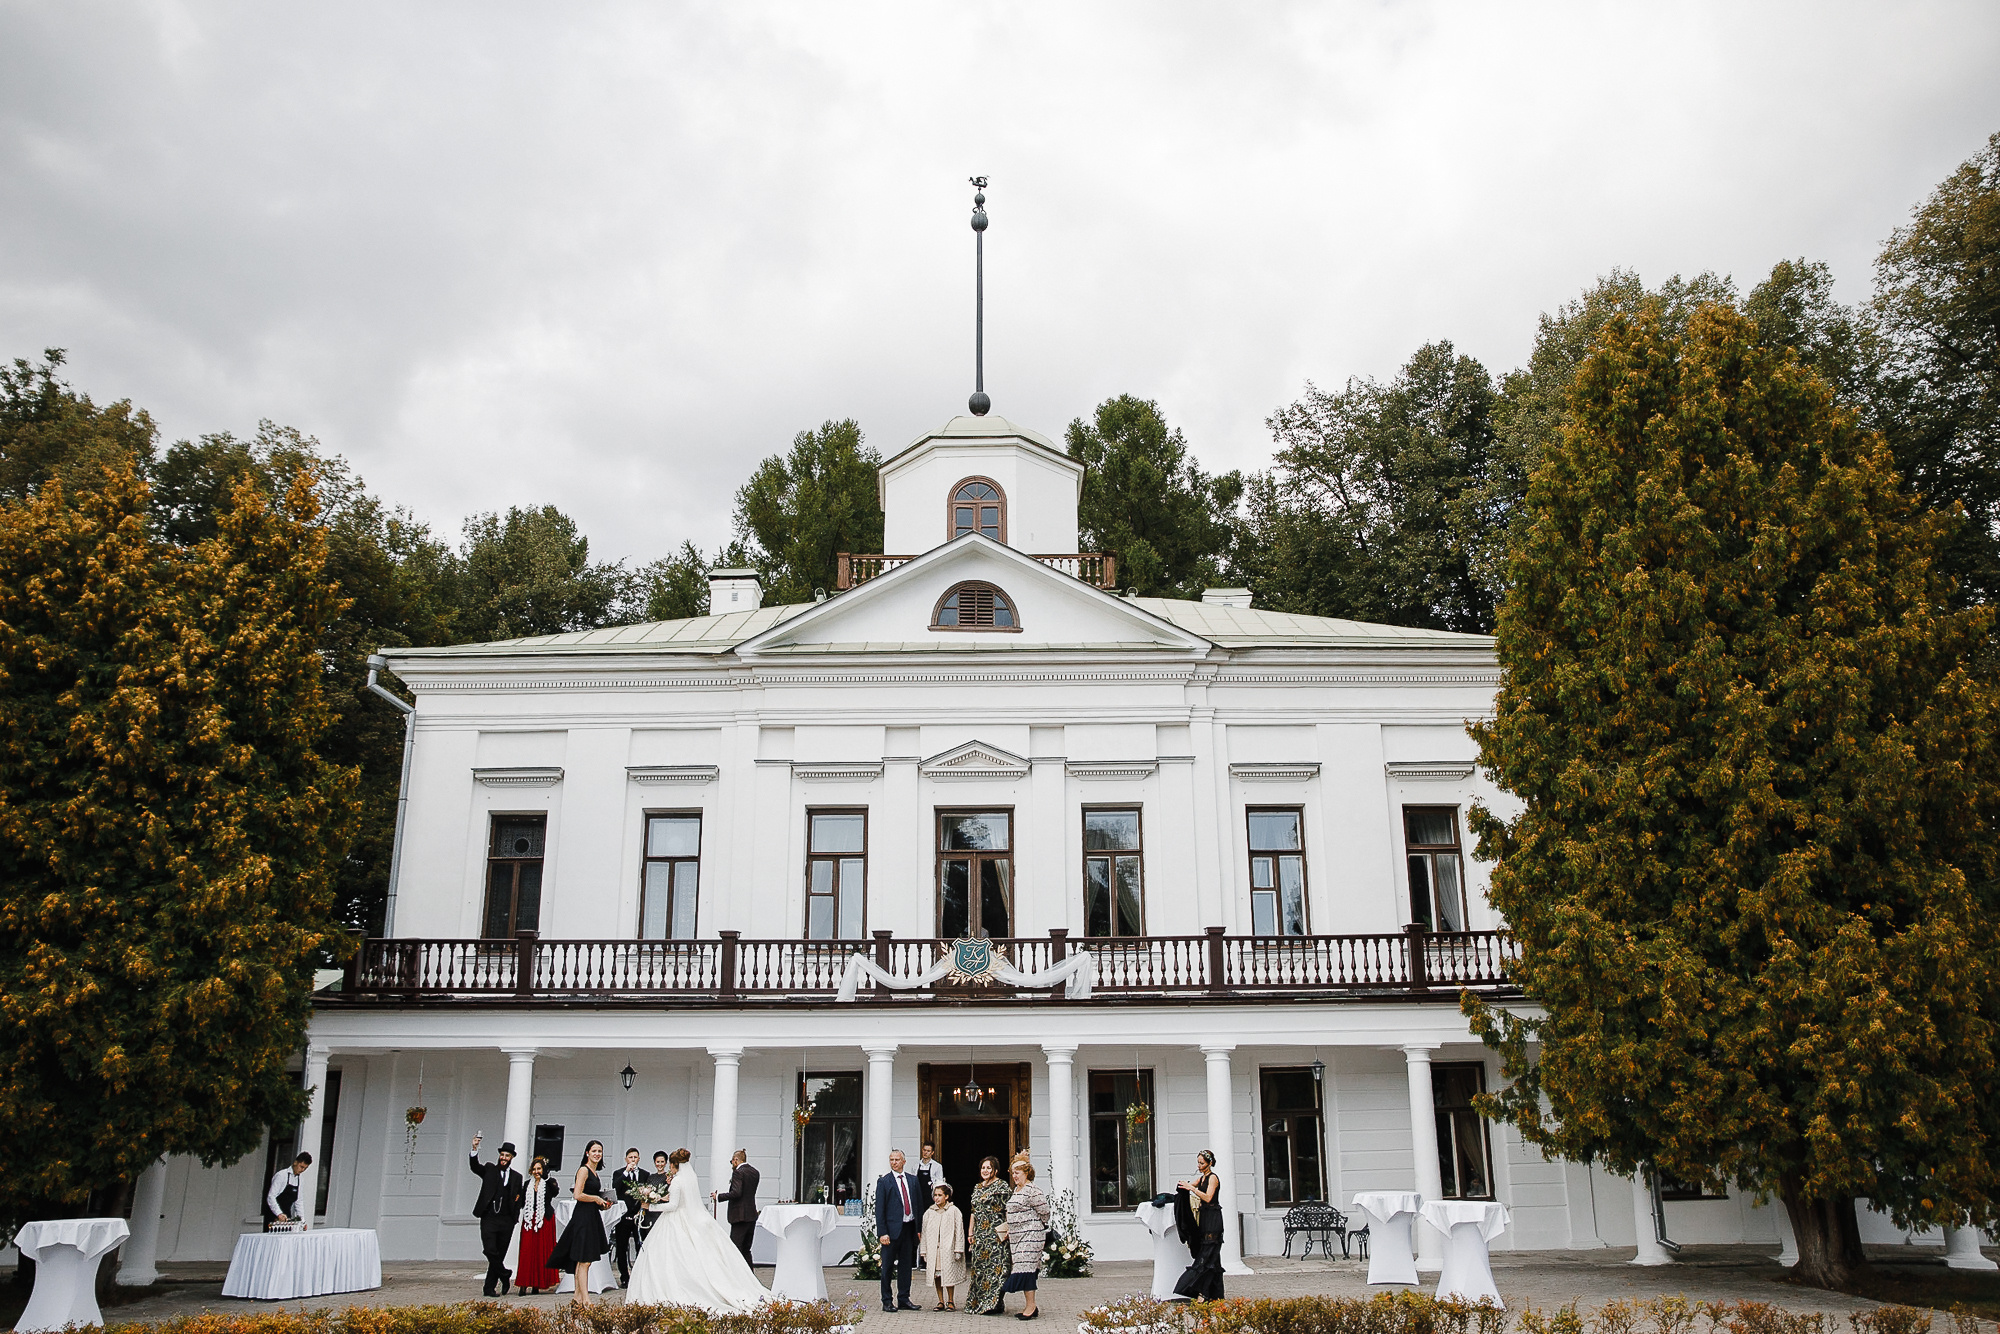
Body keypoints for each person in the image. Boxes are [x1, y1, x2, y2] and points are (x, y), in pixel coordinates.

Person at [625, 1147, 770, 1312]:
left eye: (670, 1165)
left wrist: (650, 1205)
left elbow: (673, 1205)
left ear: (674, 1165)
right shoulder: (690, 1178)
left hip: (674, 1220)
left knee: (668, 1257)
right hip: (696, 1217)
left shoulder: (678, 1180)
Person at [548, 1140, 613, 1303]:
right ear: (587, 1153)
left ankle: (577, 1298)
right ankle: (586, 1300)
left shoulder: (595, 1172)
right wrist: (596, 1198)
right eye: (594, 1151)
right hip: (583, 1218)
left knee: (585, 1261)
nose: (597, 1154)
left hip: (592, 1216)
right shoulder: (584, 1170)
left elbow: (591, 1198)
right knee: (584, 1261)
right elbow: (577, 1195)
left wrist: (603, 1205)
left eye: (600, 1151)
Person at [468, 1135, 526, 1296]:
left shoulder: (517, 1177)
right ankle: (504, 1274)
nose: (504, 1158)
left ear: (511, 1158)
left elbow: (519, 1197)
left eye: (507, 1155)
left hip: (507, 1220)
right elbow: (475, 1167)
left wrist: (516, 1211)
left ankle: (489, 1288)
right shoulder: (489, 1169)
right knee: (489, 1250)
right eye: (502, 1155)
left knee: (499, 1253)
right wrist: (474, 1149)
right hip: (489, 1217)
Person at [1172, 1149, 1225, 1301]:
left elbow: (1208, 1197)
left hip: (1213, 1219)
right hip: (1204, 1218)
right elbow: (1188, 1185)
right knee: (1213, 1258)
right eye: (1198, 1163)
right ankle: (1214, 1295)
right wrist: (1183, 1185)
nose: (1199, 1166)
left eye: (1202, 1163)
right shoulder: (1202, 1178)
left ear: (1210, 1163)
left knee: (1207, 1255)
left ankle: (1199, 1291)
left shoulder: (1213, 1178)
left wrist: (1192, 1189)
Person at [874, 1149, 923, 1312]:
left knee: (905, 1266)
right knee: (887, 1267)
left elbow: (918, 1205)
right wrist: (882, 1233)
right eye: (891, 1160)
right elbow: (879, 1209)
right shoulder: (884, 1182)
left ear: (904, 1161)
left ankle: (904, 1298)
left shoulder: (913, 1180)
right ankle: (887, 1300)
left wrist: (919, 1228)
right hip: (891, 1231)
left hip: (908, 1229)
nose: (894, 1162)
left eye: (897, 1159)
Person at [1001, 1157, 1050, 1321]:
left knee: (1026, 1269)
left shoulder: (1032, 1190)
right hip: (1017, 1237)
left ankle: (1031, 1306)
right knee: (1026, 1269)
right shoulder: (1016, 1190)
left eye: (1017, 1172)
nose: (1014, 1176)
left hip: (1031, 1236)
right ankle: (1031, 1305)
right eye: (1013, 1173)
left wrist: (1033, 1225)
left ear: (1026, 1173)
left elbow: (1045, 1211)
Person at [964, 1156, 1013, 1316]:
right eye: (983, 1168)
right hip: (980, 1235)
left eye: (989, 1168)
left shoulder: (1002, 1186)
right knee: (981, 1271)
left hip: (997, 1235)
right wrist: (970, 1232)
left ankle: (994, 1302)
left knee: (999, 1270)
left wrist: (1008, 1230)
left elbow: (1008, 1210)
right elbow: (973, 1211)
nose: (985, 1171)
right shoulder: (977, 1188)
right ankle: (981, 1303)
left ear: (995, 1170)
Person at [920, 1183, 968, 1311]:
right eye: (935, 1195)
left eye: (939, 1195)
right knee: (937, 1275)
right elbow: (924, 1232)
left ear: (946, 1196)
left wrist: (958, 1249)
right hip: (934, 1249)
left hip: (948, 1249)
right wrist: (924, 1251)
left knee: (949, 1275)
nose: (936, 1198)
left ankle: (950, 1300)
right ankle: (940, 1300)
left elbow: (959, 1230)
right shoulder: (929, 1212)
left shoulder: (954, 1211)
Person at [516, 1156, 560, 1294]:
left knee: (542, 1252)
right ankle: (524, 1284)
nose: (536, 1171)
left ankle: (537, 1284)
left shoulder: (549, 1182)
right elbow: (521, 1203)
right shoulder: (527, 1184)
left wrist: (546, 1177)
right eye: (534, 1169)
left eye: (539, 1169)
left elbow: (554, 1193)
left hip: (544, 1219)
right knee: (527, 1251)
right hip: (529, 1220)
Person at [610, 1147, 652, 1287]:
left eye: (635, 1157)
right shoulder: (618, 1173)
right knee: (622, 1246)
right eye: (630, 1157)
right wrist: (626, 1172)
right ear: (626, 1159)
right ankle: (624, 1276)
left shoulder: (645, 1174)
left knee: (641, 1244)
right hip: (623, 1215)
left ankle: (640, 1275)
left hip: (639, 1214)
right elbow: (615, 1188)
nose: (633, 1160)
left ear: (639, 1159)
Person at [711, 1149, 761, 1267]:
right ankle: (750, 1277)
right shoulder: (755, 1172)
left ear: (736, 1160)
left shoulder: (738, 1173)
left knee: (734, 1249)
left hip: (739, 1216)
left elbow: (736, 1193)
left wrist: (718, 1196)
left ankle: (736, 1278)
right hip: (751, 1214)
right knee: (746, 1250)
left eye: (731, 1162)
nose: (732, 1164)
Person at [263, 1152, 312, 1231]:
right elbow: (271, 1196)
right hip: (273, 1215)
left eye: (305, 1168)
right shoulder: (281, 1175)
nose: (302, 1170)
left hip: (287, 1216)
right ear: (295, 1162)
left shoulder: (300, 1179)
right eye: (301, 1167)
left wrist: (302, 1220)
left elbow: (298, 1201)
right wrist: (279, 1213)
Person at [639, 1151, 671, 1244]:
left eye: (662, 1162)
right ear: (654, 1162)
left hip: (661, 1211)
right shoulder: (651, 1177)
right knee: (649, 1236)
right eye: (658, 1162)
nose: (660, 1164)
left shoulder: (668, 1177)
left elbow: (669, 1194)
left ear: (665, 1163)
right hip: (650, 1211)